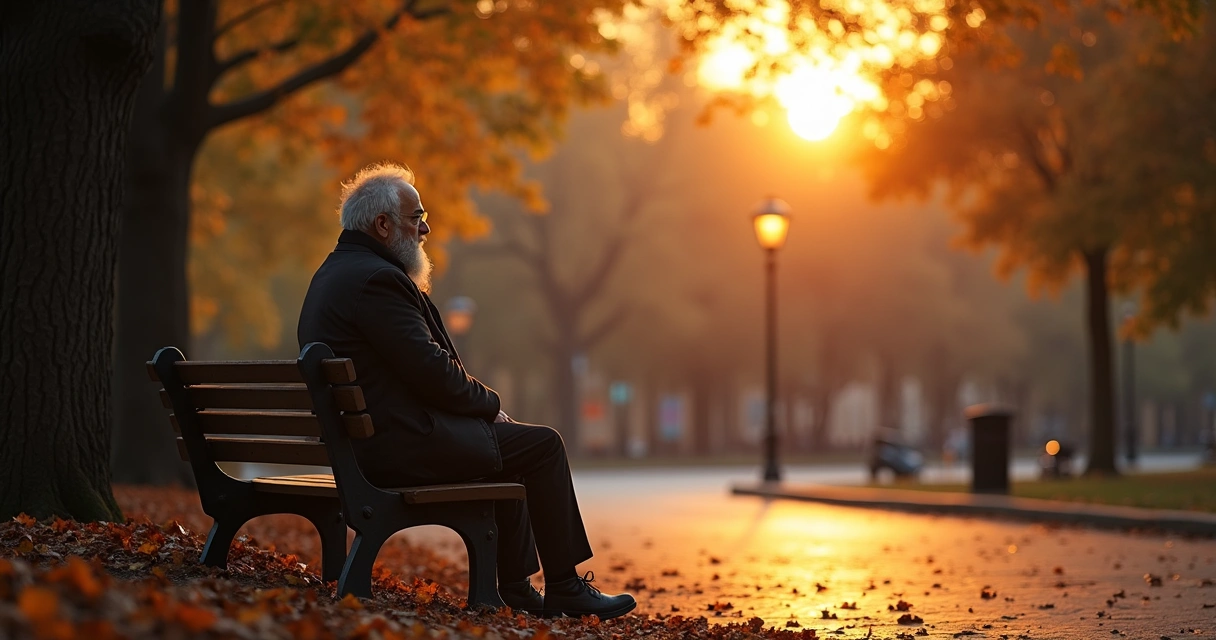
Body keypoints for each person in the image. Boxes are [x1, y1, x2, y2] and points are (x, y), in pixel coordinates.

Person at [298, 163, 636, 619]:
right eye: (416, 216)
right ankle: (564, 586)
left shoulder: (335, 274)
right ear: (382, 225)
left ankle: (516, 588)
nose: (425, 227)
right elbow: (432, 372)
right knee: (542, 446)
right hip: (398, 447)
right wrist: (491, 406)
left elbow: (411, 372)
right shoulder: (377, 281)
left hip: (369, 442)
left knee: (511, 447)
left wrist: (480, 416)